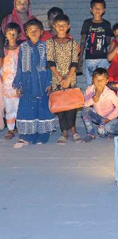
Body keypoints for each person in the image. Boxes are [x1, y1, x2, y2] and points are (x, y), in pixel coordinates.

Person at [12, 19, 56, 148]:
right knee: (27, 108)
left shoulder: (46, 46)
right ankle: (25, 137)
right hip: (27, 83)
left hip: (42, 82)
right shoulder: (23, 47)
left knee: (42, 107)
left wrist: (49, 82)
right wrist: (19, 84)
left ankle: (42, 136)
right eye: (30, 30)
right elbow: (20, 66)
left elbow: (49, 66)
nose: (34, 32)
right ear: (26, 33)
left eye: (36, 30)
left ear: (41, 31)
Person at [46, 14, 82, 144]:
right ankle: (64, 133)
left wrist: (67, 79)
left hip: (70, 78)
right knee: (60, 106)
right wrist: (60, 77)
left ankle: (74, 131)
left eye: (63, 25)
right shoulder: (50, 43)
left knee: (71, 105)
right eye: (58, 25)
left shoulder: (72, 43)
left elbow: (74, 62)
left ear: (68, 27)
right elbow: (50, 61)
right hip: (57, 79)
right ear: (54, 26)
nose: (61, 27)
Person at [81, 68, 118, 142]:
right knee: (85, 111)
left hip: (109, 118)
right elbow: (84, 104)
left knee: (102, 131)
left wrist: (108, 119)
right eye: (96, 79)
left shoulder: (110, 93)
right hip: (98, 117)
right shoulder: (90, 90)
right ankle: (91, 133)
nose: (99, 82)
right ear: (92, 80)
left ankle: (110, 133)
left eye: (102, 80)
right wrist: (92, 100)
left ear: (107, 81)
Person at [79, 0, 112, 86]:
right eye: (95, 7)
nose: (97, 10)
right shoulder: (87, 23)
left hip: (103, 58)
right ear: (91, 9)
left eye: (100, 8)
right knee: (91, 82)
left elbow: (108, 41)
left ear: (104, 10)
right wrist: (80, 56)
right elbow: (83, 40)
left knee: (103, 82)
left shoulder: (106, 24)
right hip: (90, 57)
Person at [1, 23, 21, 139]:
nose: (12, 35)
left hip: (17, 84)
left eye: (14, 33)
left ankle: (20, 128)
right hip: (6, 85)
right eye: (9, 33)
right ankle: (10, 129)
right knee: (9, 108)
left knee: (19, 107)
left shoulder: (21, 49)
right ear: (5, 34)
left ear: (18, 35)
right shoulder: (3, 50)